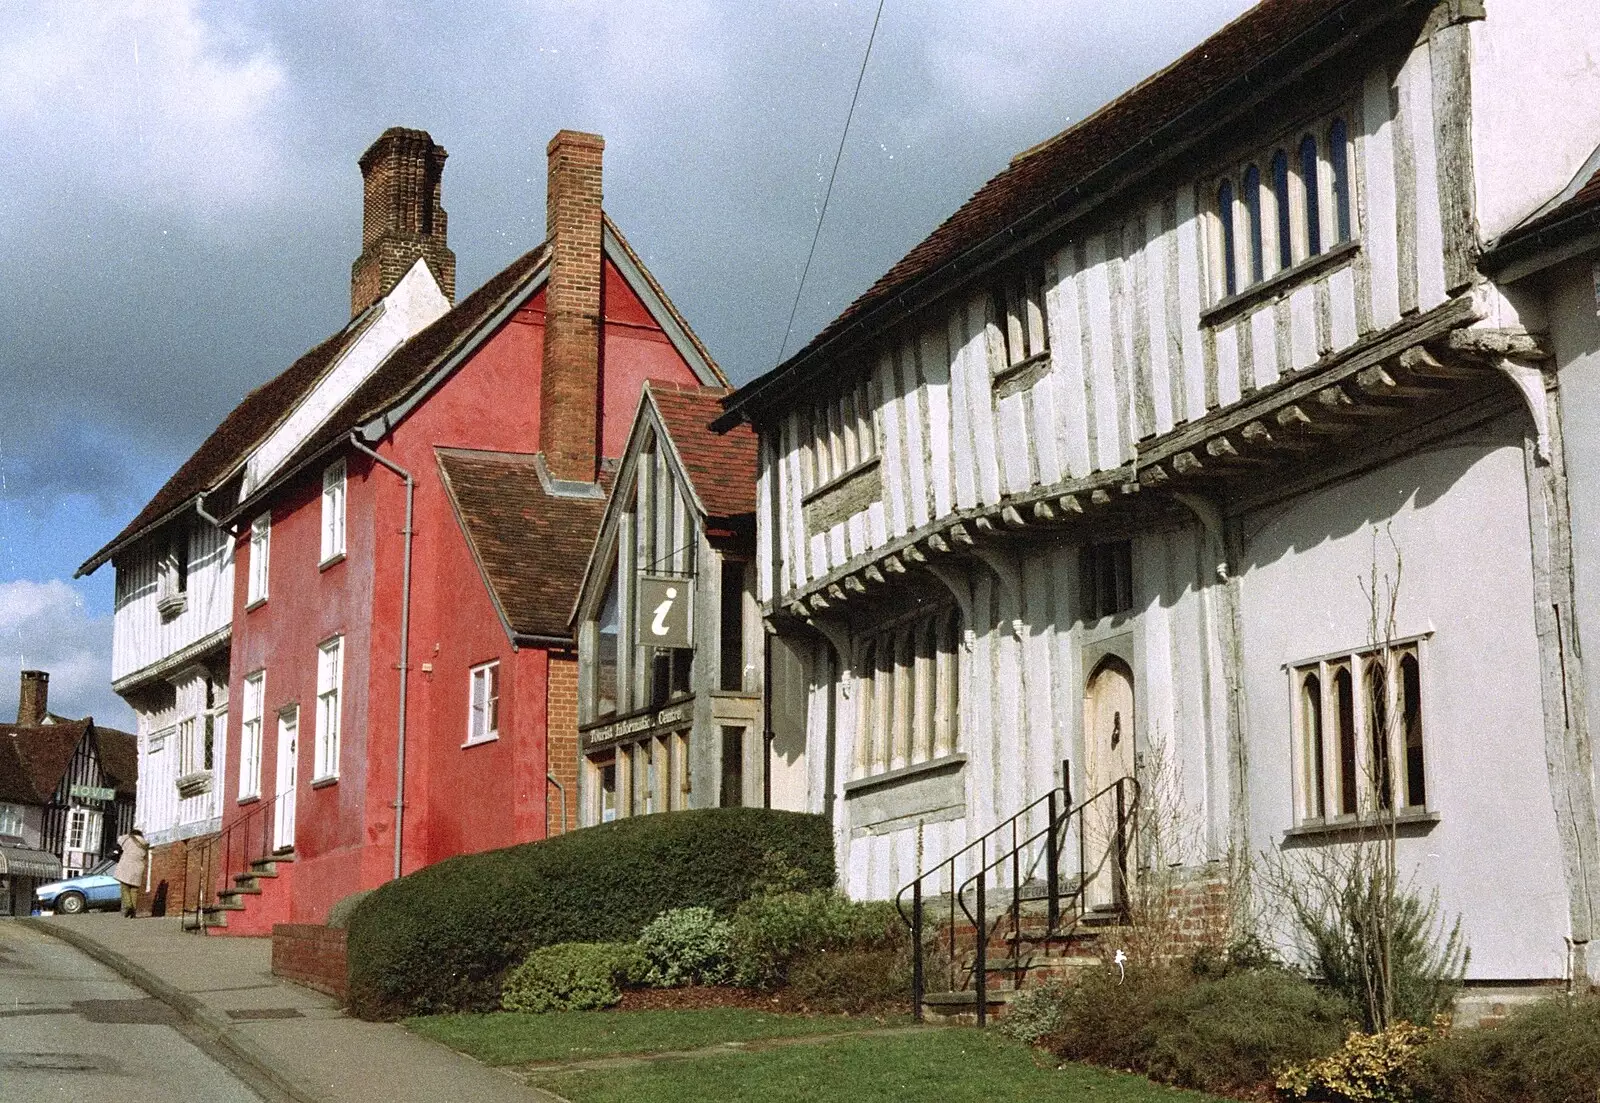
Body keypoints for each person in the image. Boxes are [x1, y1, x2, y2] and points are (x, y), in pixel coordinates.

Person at [113, 827, 148, 918]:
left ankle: (129, 906)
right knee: (134, 890)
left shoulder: (128, 839)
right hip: (138, 868)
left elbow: (119, 839)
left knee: (124, 887)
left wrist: (128, 835)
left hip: (127, 865)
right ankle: (133, 912)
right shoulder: (144, 843)